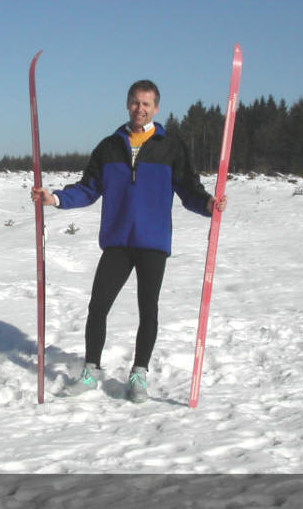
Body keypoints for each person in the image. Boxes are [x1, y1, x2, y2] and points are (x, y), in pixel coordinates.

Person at [31, 79, 226, 403]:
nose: (140, 109)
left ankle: (139, 374)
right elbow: (89, 188)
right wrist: (56, 199)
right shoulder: (109, 146)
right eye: (135, 102)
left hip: (153, 242)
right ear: (127, 104)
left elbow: (189, 189)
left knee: (147, 310)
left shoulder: (171, 147)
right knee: (98, 306)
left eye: (146, 104)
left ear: (157, 108)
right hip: (118, 241)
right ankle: (91, 371)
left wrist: (208, 205)